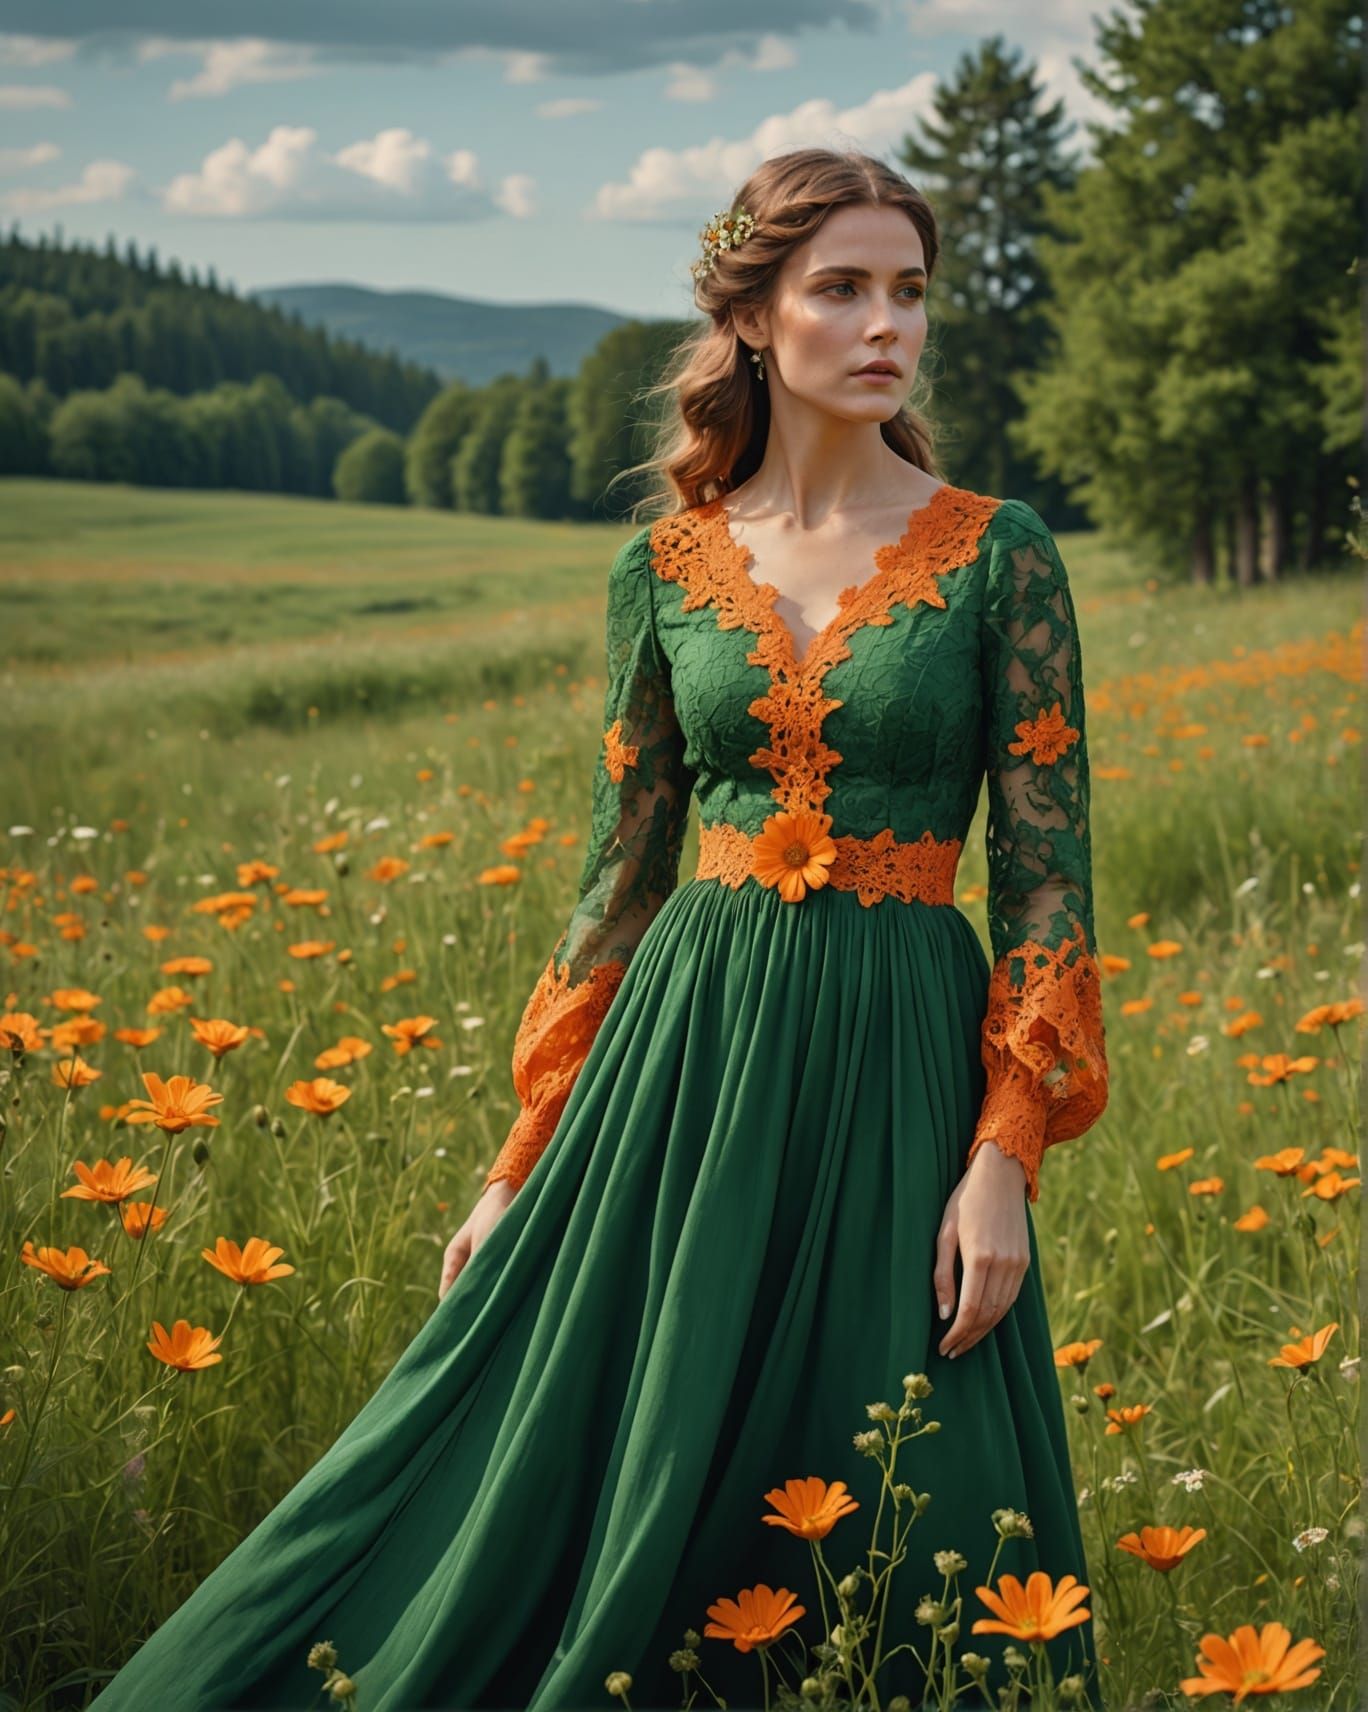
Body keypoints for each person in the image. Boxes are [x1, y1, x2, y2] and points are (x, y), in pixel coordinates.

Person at [86, 145, 1109, 1712]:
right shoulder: (664, 564)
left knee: (889, 1450)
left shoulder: (1001, 554)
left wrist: (1006, 1150)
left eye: (909, 289)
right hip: (680, 1057)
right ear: (756, 318)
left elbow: (1047, 879)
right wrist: (520, 1160)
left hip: (899, 1051)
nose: (884, 321)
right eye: (840, 287)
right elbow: (619, 875)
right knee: (577, 1432)